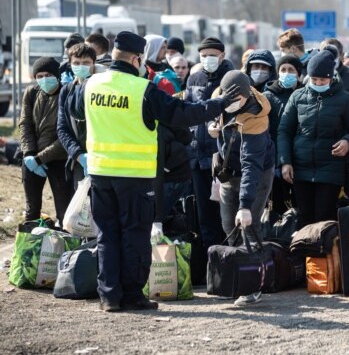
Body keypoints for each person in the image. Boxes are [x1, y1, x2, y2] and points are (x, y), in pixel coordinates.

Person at [71, 31, 242, 312]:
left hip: (100, 173)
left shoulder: (90, 84)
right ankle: (132, 295)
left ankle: (109, 296)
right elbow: (183, 113)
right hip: (135, 176)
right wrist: (220, 104)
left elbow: (75, 111)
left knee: (107, 236)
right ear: (137, 58)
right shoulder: (143, 89)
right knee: (134, 236)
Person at [208, 71, 275, 306]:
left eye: (239, 100)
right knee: (228, 224)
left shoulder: (257, 116)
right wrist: (214, 128)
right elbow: (214, 116)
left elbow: (251, 165)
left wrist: (245, 205)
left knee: (249, 224)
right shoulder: (220, 96)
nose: (235, 104)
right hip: (228, 171)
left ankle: (251, 286)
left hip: (257, 172)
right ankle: (236, 277)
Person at [277, 50, 349, 228]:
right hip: (301, 170)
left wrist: (348, 141)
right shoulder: (297, 97)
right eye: (314, 80)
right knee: (304, 219)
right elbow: (284, 131)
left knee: (325, 220)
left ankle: (325, 256)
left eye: (322, 80)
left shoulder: (345, 99)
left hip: (331, 170)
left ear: (331, 78)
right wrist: (285, 161)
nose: (317, 83)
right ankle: (304, 256)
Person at [185, 37, 235, 251]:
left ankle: (230, 254)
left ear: (222, 56)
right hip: (198, 155)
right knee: (204, 212)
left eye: (212, 56)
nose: (208, 59)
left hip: (222, 156)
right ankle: (210, 259)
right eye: (203, 56)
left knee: (226, 211)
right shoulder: (194, 78)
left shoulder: (232, 78)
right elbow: (187, 111)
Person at [19, 57, 73, 224]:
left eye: (48, 74)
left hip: (58, 161)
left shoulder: (67, 94)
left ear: (56, 75)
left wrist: (39, 159)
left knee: (64, 213)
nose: (44, 79)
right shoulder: (32, 93)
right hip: (32, 159)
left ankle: (64, 247)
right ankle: (30, 246)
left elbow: (65, 136)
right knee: (31, 211)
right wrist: (29, 153)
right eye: (39, 75)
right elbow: (25, 124)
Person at [263, 54, 303, 215]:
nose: (286, 73)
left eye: (291, 70)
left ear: (298, 73)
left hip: (300, 156)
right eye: (283, 69)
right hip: (275, 158)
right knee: (277, 206)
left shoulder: (304, 94)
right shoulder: (268, 96)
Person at [57, 43, 97, 188]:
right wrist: (79, 156)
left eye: (86, 62)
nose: (81, 66)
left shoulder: (100, 88)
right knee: (82, 209)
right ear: (70, 64)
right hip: (79, 161)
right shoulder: (67, 91)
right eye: (77, 63)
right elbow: (62, 128)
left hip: (102, 159)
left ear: (94, 63)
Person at [320, 39, 349, 114]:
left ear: (342, 55)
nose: (329, 57)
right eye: (325, 54)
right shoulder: (313, 78)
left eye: (333, 54)